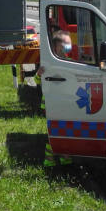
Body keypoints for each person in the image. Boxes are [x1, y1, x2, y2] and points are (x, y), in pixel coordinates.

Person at [37, 29, 73, 167]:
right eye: (64, 44)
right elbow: (37, 80)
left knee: (66, 131)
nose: (67, 46)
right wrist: (39, 74)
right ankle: (49, 160)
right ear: (56, 46)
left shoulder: (69, 61)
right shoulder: (49, 62)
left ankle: (65, 158)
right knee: (53, 132)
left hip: (65, 102)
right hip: (51, 103)